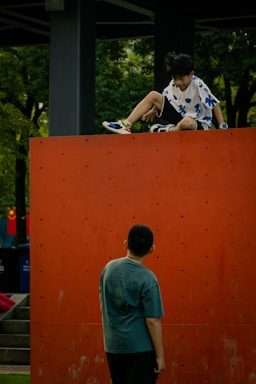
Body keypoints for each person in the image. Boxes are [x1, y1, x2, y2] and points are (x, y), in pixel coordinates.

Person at [99, 224, 165, 384]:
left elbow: (103, 305)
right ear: (152, 249)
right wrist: (160, 357)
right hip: (140, 349)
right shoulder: (148, 278)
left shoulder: (108, 269)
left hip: (113, 346)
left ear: (125, 244)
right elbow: (152, 321)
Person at [102, 51, 228, 134]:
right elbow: (164, 99)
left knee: (187, 122)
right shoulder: (173, 83)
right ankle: (126, 125)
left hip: (198, 125)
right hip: (180, 116)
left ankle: (170, 131)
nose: (178, 82)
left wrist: (222, 125)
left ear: (191, 74)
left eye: (181, 79)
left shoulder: (198, 85)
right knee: (153, 95)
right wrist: (153, 110)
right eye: (174, 78)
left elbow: (214, 105)